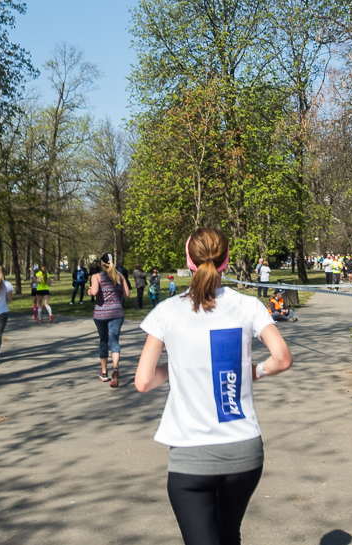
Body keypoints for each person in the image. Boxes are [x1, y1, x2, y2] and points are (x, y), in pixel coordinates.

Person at [135, 227, 293, 545]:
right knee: (227, 534)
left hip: (191, 459)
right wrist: (256, 371)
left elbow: (143, 381)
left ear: (189, 261)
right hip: (245, 453)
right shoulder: (249, 306)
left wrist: (177, 367)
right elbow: (282, 358)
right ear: (227, 260)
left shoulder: (165, 312)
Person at [88, 252, 130, 387]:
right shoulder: (120, 276)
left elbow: (94, 292)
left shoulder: (96, 276)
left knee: (103, 341)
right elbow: (127, 294)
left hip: (101, 314)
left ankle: (104, 372)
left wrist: (89, 291)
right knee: (114, 340)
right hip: (117, 312)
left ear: (102, 263)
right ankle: (115, 368)